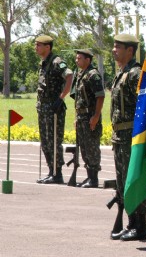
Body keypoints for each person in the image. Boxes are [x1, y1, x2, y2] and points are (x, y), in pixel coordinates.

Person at [109, 34, 146, 241]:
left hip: (131, 136)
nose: (114, 50)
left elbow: (144, 107)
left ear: (130, 50)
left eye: (118, 47)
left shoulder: (135, 74)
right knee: (123, 181)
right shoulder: (122, 73)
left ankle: (140, 225)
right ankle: (132, 223)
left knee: (134, 180)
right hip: (120, 136)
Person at [35, 35, 73, 184]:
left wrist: (61, 97)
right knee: (45, 142)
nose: (36, 47)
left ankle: (57, 173)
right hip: (43, 109)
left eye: (39, 45)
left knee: (54, 141)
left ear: (47, 47)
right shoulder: (43, 63)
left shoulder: (57, 62)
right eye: (36, 45)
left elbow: (69, 76)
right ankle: (51, 171)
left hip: (54, 109)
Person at [70, 49, 104, 188]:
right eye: (76, 58)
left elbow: (100, 96)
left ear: (88, 60)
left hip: (90, 116)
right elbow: (78, 99)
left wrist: (96, 116)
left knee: (91, 147)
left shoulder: (93, 75)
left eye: (79, 58)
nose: (77, 60)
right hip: (81, 116)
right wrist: (77, 117)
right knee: (84, 147)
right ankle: (89, 176)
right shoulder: (80, 75)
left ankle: (94, 178)